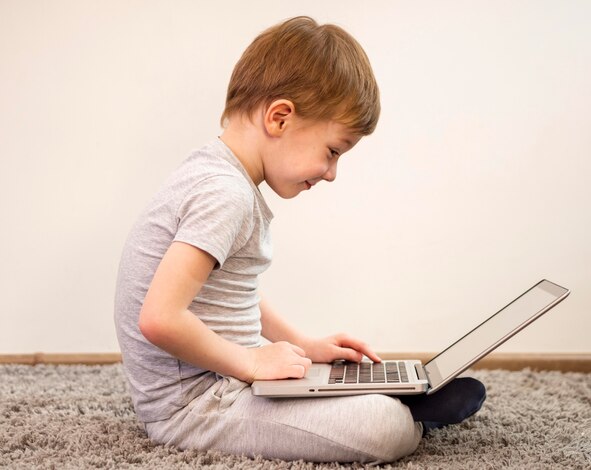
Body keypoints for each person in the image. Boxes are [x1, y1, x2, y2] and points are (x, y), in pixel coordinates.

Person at [114, 16, 485, 464]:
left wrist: (303, 344)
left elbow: (232, 290)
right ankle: (403, 416)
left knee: (313, 371)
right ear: (280, 117)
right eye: (333, 151)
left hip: (225, 379)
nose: (331, 173)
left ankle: (382, 398)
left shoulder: (220, 177)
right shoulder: (224, 193)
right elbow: (157, 318)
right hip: (195, 406)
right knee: (384, 431)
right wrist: (251, 363)